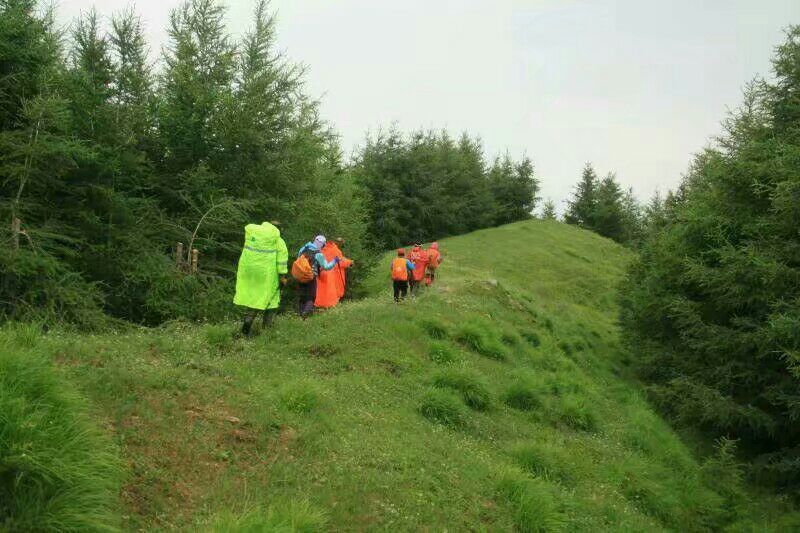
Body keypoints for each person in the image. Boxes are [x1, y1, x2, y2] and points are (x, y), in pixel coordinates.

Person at [233, 221, 289, 336]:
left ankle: (245, 328)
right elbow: (281, 262)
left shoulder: (254, 235)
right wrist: (282, 276)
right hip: (268, 276)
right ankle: (266, 331)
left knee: (254, 299)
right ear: (278, 230)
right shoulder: (278, 241)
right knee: (271, 301)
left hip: (250, 274)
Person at [296, 235, 338, 318]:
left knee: (302, 297)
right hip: (311, 277)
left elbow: (298, 260)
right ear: (322, 244)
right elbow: (326, 267)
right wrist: (334, 261)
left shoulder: (303, 249)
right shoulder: (318, 254)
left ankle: (301, 316)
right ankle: (305, 314)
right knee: (311, 297)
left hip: (300, 276)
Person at [315, 237, 353, 309]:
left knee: (322, 292)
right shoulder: (335, 250)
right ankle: (331, 307)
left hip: (322, 274)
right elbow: (341, 261)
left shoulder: (322, 249)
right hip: (335, 274)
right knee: (334, 293)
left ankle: (321, 307)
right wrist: (350, 262)